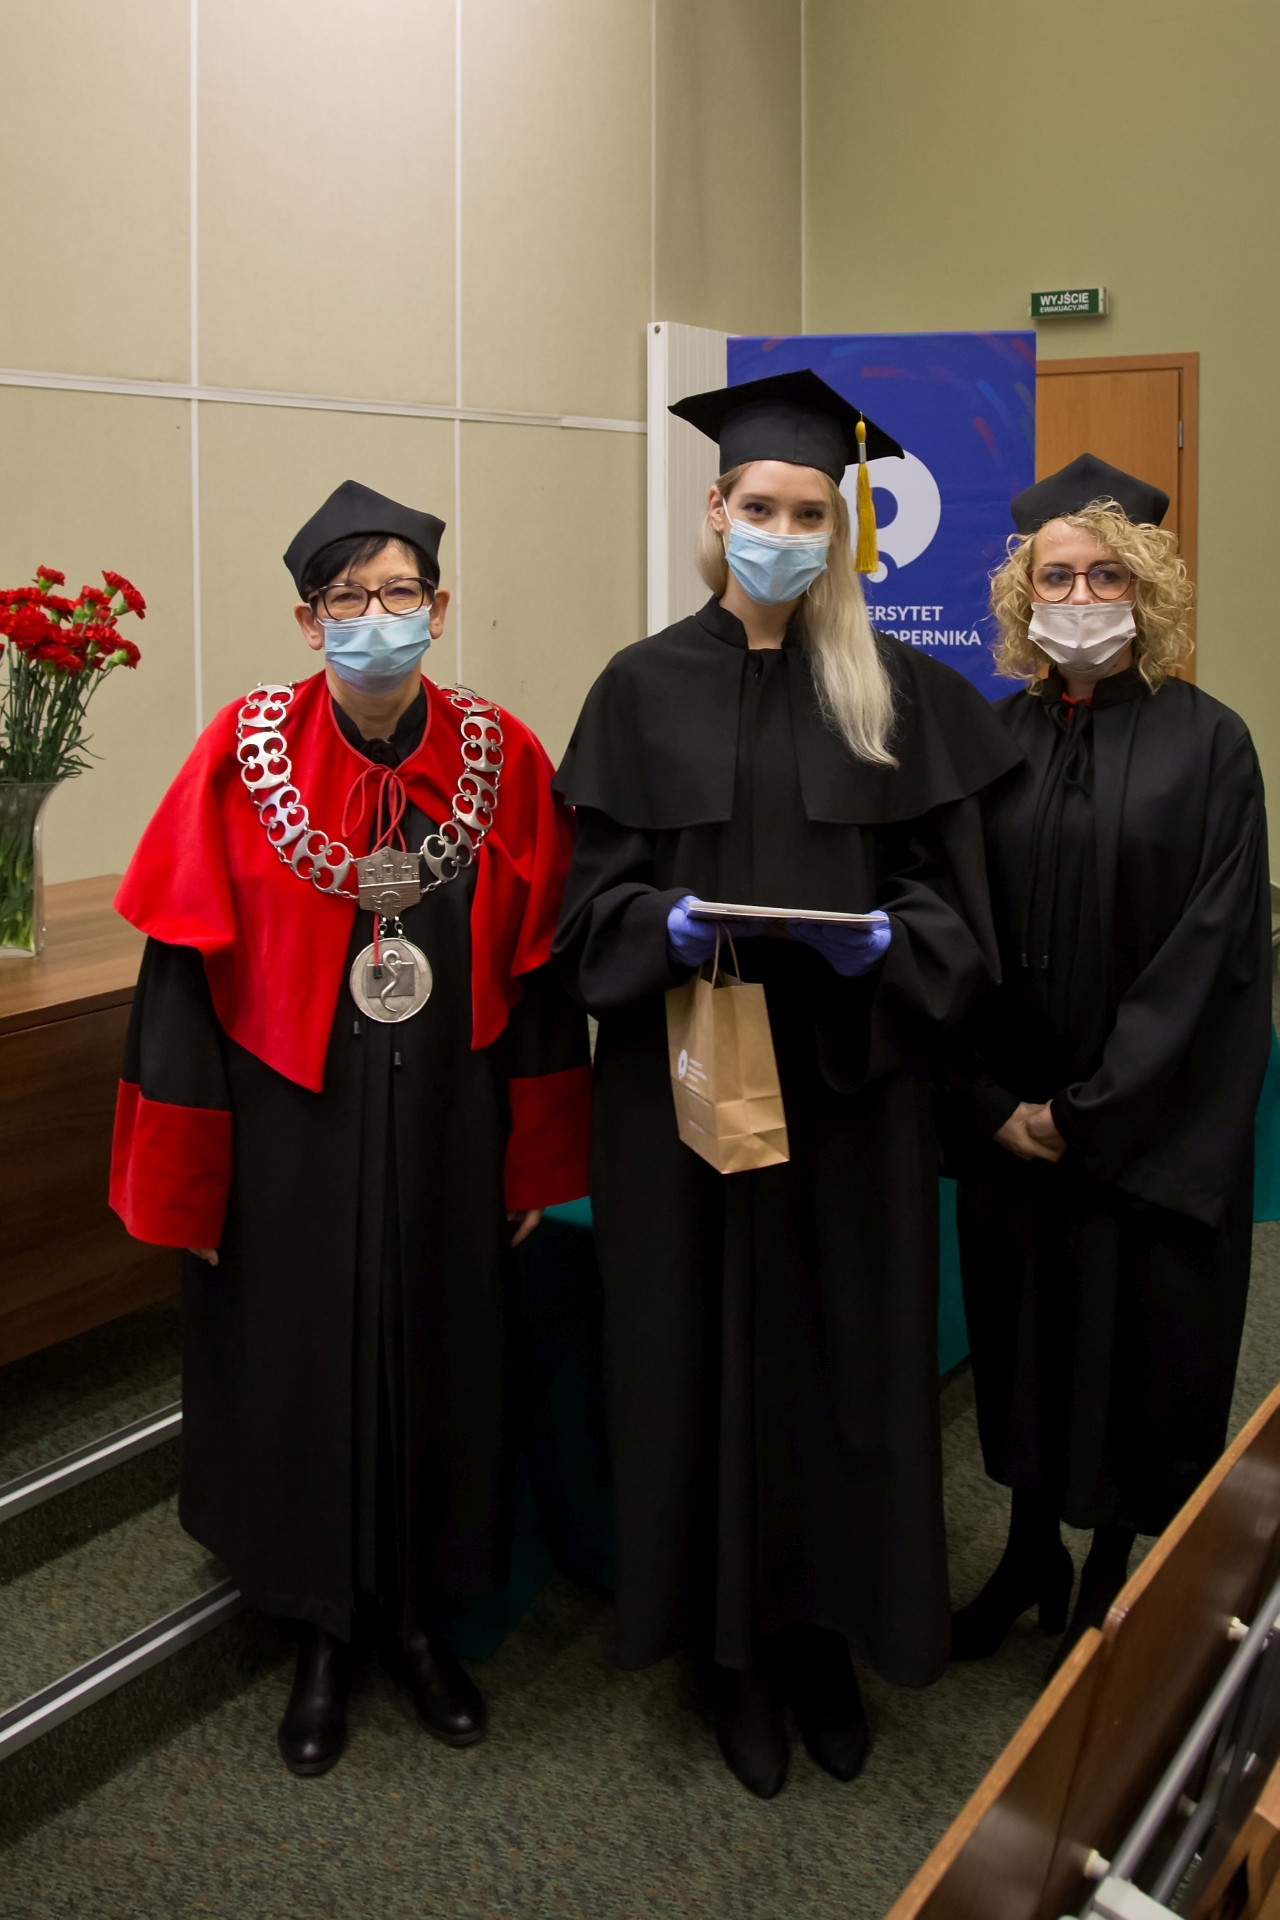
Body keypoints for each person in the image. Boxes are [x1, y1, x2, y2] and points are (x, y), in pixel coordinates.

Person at [552, 370, 1024, 1798]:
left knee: (842, 1364)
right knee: (696, 1358)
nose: (780, 533)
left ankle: (825, 1640)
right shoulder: (638, 688)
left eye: (808, 513)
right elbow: (583, 909)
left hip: (846, 1089)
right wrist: (658, 926)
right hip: (686, 1092)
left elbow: (958, 906)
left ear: (840, 532)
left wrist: (889, 945)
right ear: (715, 511)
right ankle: (731, 1657)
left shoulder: (900, 695)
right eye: (758, 507)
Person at [110, 480, 591, 1775]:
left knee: (446, 1356)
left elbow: (542, 974)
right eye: (347, 598)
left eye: (399, 593)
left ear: (438, 605)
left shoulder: (503, 757)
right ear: (306, 618)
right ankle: (317, 1630)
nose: (376, 616)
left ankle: (421, 1623)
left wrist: (535, 1153)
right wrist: (188, 1180)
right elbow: (177, 986)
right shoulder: (241, 755)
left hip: (447, 1126)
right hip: (288, 1137)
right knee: (295, 1367)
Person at [944, 454, 1272, 1669]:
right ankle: (1028, 1550)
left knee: (1139, 1350)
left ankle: (1107, 1572)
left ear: (1146, 589)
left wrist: (1084, 1111)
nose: (1076, 596)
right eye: (1054, 577)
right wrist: (990, 1101)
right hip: (1012, 1118)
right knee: (1025, 1341)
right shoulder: (986, 742)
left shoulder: (1209, 746)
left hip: (1141, 1125)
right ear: (1020, 595)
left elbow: (1209, 956)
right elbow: (949, 927)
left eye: (1103, 575)